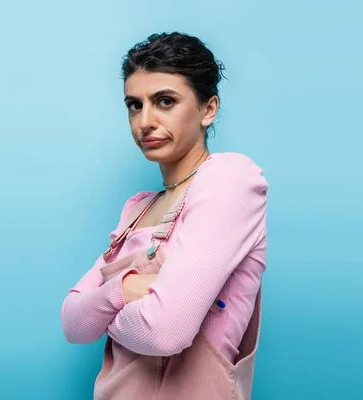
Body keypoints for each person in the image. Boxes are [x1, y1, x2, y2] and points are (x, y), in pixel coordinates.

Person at [60, 32, 268, 400]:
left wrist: (103, 314)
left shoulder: (229, 179)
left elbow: (164, 332)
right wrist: (124, 290)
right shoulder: (137, 208)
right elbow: (73, 323)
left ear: (208, 109)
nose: (145, 121)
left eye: (165, 101)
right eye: (134, 105)